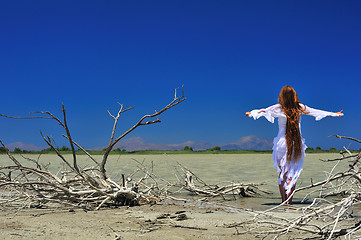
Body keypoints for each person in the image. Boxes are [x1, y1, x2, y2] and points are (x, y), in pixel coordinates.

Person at [245, 85, 343, 204]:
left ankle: (283, 201)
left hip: (282, 144)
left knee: (283, 174)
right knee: (293, 174)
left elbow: (264, 111)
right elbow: (315, 111)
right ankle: (289, 202)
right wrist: (333, 113)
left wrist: (251, 113)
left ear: (282, 96)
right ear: (295, 96)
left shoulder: (279, 107)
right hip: (296, 143)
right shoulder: (300, 107)